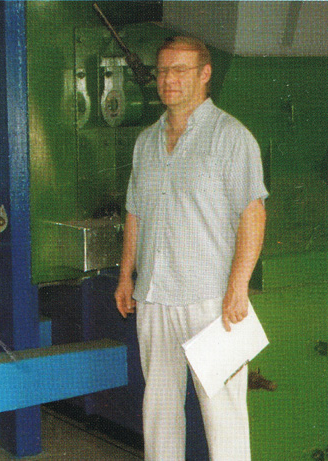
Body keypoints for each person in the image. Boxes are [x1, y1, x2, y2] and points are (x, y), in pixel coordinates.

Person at [114, 36, 268, 460]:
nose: (169, 79)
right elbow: (135, 213)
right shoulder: (146, 142)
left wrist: (238, 287)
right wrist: (126, 276)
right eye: (163, 70)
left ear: (205, 74)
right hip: (154, 297)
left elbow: (253, 214)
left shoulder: (230, 137)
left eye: (180, 70)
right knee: (159, 413)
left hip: (212, 303)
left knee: (224, 418)